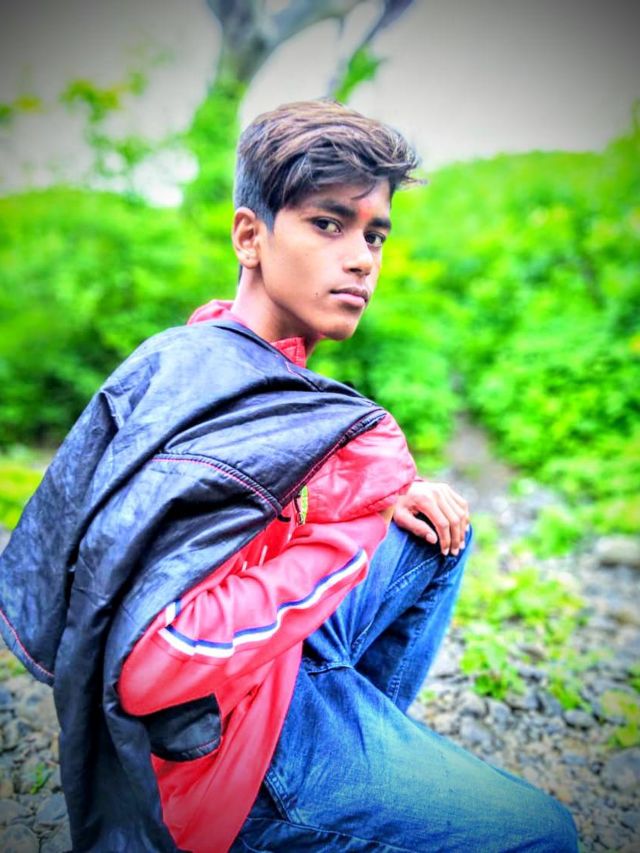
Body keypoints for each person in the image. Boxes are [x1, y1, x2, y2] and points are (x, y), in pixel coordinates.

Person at [0, 100, 578, 853]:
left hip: (271, 673)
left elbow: (259, 500)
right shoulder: (210, 394)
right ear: (250, 236)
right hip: (214, 750)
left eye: (374, 234)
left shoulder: (223, 356)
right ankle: (291, 812)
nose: (362, 258)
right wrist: (349, 532)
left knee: (438, 532)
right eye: (328, 224)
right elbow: (145, 666)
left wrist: (383, 497)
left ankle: (353, 761)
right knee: (545, 836)